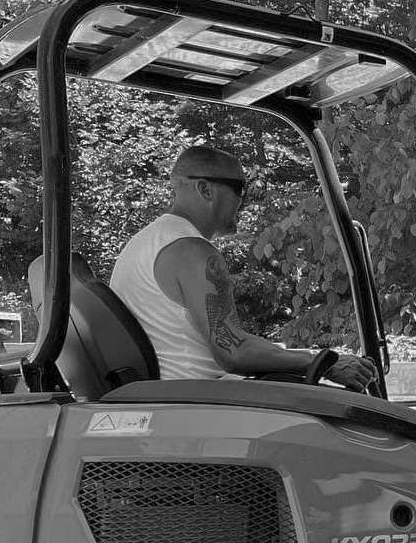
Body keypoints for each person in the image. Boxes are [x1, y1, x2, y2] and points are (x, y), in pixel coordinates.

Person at [109, 145, 377, 390]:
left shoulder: (146, 242)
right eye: (240, 188)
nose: (246, 201)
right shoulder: (193, 251)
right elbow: (233, 353)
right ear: (206, 189)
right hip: (200, 401)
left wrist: (298, 355)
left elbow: (234, 339)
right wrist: (325, 362)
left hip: (180, 397)